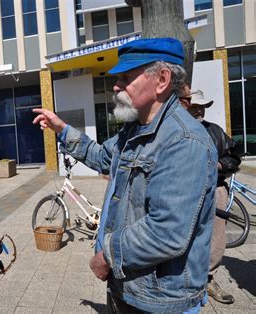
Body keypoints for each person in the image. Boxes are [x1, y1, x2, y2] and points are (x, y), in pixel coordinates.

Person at [33, 38, 218, 313]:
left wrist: (108, 256)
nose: (116, 86)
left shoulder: (184, 141)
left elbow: (166, 232)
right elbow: (103, 157)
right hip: (129, 287)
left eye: (126, 77)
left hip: (160, 300)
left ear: (162, 79)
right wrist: (62, 130)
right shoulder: (134, 130)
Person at [179, 88, 241, 304]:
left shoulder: (215, 131)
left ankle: (208, 279)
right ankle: (183, 282)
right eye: (195, 106)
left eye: (202, 106)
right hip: (183, 192)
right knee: (183, 237)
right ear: (184, 106)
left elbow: (234, 156)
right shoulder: (173, 132)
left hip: (215, 189)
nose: (199, 110)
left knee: (216, 238)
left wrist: (222, 164)